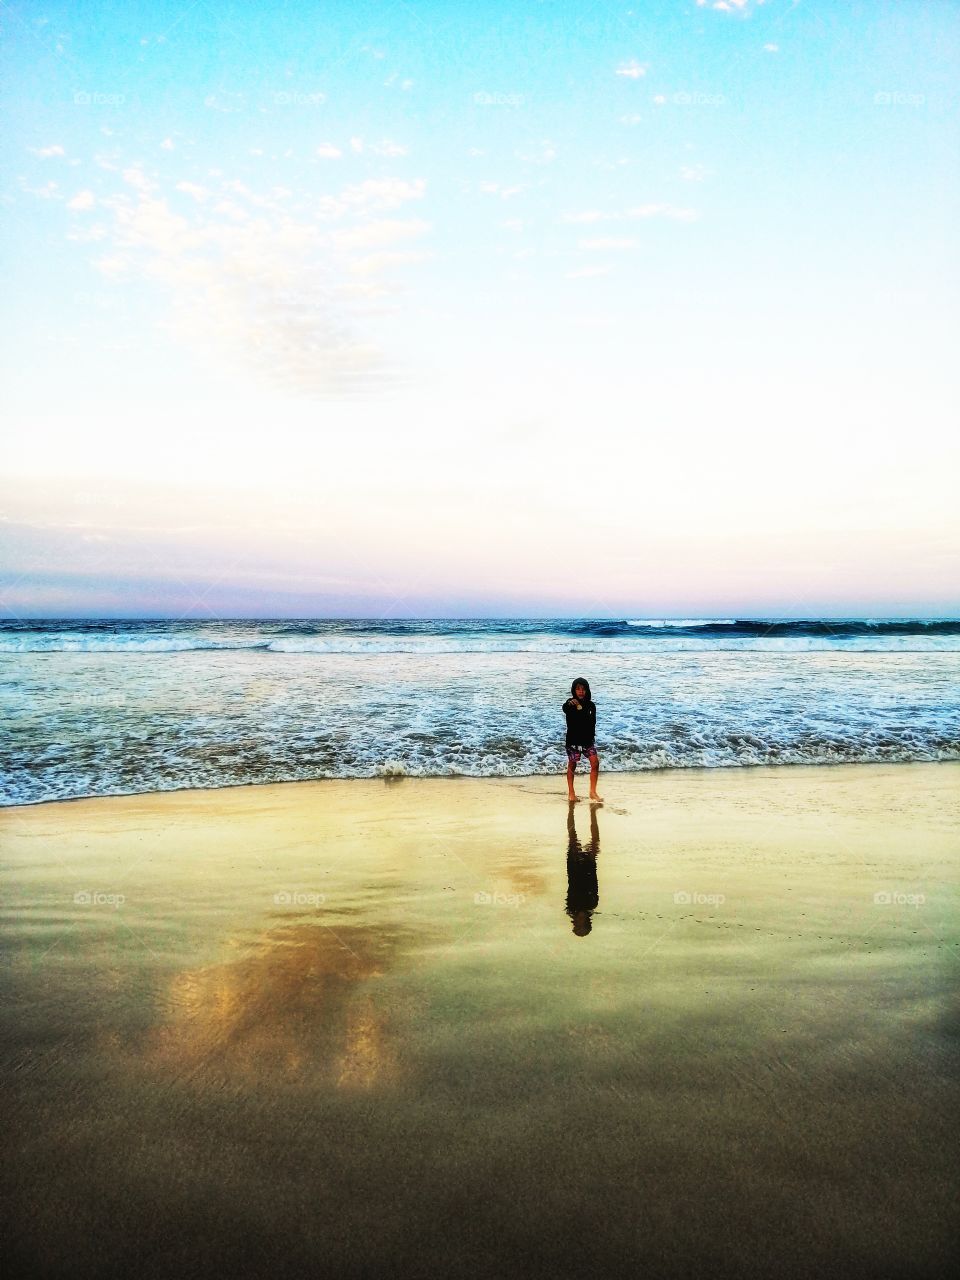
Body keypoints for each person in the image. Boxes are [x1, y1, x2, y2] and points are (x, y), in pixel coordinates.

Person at [562, 677, 602, 803]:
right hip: (573, 740)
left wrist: (592, 737)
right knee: (572, 765)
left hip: (587, 741)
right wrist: (573, 704)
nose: (581, 691)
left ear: (587, 691)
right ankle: (571, 793)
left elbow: (592, 722)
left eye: (583, 689)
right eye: (578, 689)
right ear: (574, 690)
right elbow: (565, 708)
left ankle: (592, 792)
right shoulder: (571, 703)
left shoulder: (591, 706)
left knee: (595, 763)